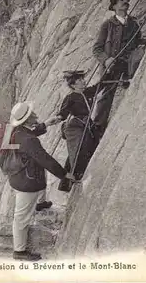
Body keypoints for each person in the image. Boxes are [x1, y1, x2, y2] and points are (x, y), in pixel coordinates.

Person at [5, 101, 74, 261]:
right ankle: (19, 252)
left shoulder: (18, 131)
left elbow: (31, 133)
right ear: (27, 120)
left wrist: (46, 124)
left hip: (21, 174)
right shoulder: (28, 140)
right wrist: (64, 174)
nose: (35, 115)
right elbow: (45, 159)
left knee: (40, 177)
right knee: (21, 217)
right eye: (32, 115)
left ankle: (40, 203)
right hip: (26, 182)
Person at [92, 0, 144, 137]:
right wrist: (106, 59)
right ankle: (97, 128)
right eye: (121, 0)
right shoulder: (107, 25)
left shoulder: (134, 23)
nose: (125, 2)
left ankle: (127, 78)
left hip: (128, 63)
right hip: (112, 65)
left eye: (126, 1)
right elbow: (96, 48)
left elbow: (138, 40)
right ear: (114, 6)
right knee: (105, 95)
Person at [48, 70, 101, 191]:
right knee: (78, 148)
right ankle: (75, 175)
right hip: (75, 126)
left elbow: (98, 86)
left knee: (82, 148)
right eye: (80, 80)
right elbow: (64, 113)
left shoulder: (86, 92)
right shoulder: (70, 97)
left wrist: (108, 73)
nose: (83, 81)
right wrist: (58, 118)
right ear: (73, 84)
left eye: (83, 79)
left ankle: (67, 181)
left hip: (85, 124)